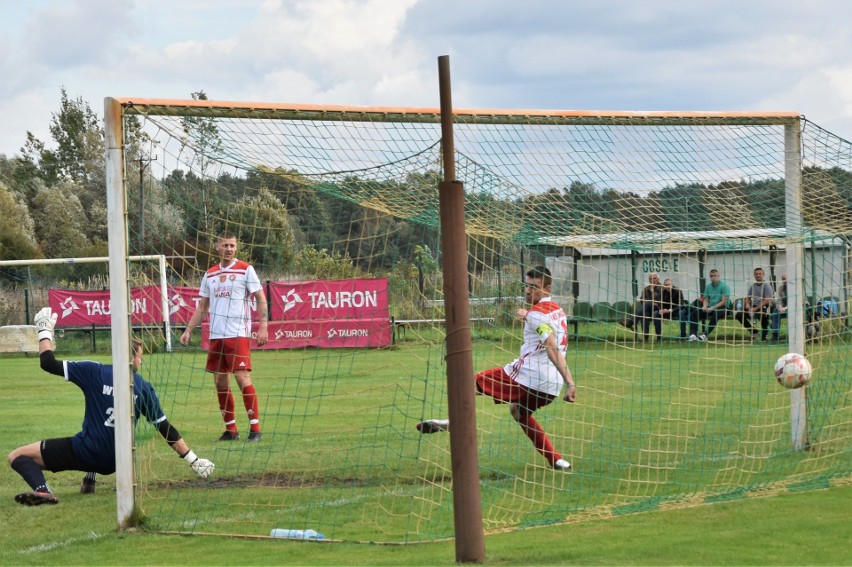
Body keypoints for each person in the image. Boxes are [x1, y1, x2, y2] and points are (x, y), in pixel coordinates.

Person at [8, 307, 214, 507]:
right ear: (133, 358)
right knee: (102, 430)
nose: (141, 361)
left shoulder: (93, 371)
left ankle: (44, 490)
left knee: (17, 456)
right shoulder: (143, 388)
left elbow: (48, 363)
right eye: (140, 356)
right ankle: (90, 478)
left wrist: (44, 330)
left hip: (86, 453)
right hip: (118, 461)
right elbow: (165, 428)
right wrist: (194, 461)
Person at [417, 266, 576, 471]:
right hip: (551, 387)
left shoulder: (536, 315)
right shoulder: (557, 310)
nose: (528, 291)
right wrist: (527, 314)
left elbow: (551, 346)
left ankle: (453, 422)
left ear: (547, 288)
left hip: (529, 378)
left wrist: (571, 383)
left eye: (534, 287)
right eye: (526, 286)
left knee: (468, 382)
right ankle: (556, 460)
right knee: (519, 412)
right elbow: (544, 323)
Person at [180, 231, 268, 442]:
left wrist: (263, 326)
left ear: (236, 248)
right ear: (217, 247)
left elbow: (260, 297)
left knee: (241, 377)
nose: (229, 249)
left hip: (238, 334)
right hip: (216, 336)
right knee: (220, 382)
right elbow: (202, 306)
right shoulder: (209, 274)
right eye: (225, 245)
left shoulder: (246, 270)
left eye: (232, 245)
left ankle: (255, 429)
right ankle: (231, 431)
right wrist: (189, 329)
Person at [687, 269, 731, 341]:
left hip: (723, 307)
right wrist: (704, 306)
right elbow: (706, 299)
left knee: (716, 313)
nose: (713, 277)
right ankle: (693, 334)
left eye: (715, 276)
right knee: (695, 312)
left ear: (718, 276)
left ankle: (705, 335)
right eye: (711, 276)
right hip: (711, 307)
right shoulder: (708, 286)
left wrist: (712, 308)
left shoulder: (724, 286)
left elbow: (724, 301)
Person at [734, 267, 774, 341]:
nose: (758, 275)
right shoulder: (753, 286)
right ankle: (754, 331)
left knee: (762, 314)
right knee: (739, 315)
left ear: (763, 275)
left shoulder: (766, 285)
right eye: (756, 274)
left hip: (765, 306)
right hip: (754, 306)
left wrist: (755, 309)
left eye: (760, 274)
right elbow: (748, 297)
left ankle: (765, 335)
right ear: (754, 275)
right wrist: (747, 305)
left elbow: (767, 300)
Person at [618, 273, 662, 340]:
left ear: (658, 279)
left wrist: (652, 291)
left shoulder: (662, 288)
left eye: (654, 278)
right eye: (650, 278)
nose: (652, 280)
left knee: (647, 304)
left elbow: (660, 299)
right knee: (645, 313)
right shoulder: (646, 289)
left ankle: (631, 321)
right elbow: (642, 300)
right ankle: (645, 337)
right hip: (647, 309)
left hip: (658, 309)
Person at [769, 273, 787, 342]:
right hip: (785, 309)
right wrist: (780, 307)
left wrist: (785, 308)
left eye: (785, 278)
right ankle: (775, 334)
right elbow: (779, 300)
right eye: (783, 279)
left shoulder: (796, 288)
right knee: (776, 311)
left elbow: (794, 303)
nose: (784, 280)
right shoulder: (780, 288)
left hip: (796, 309)